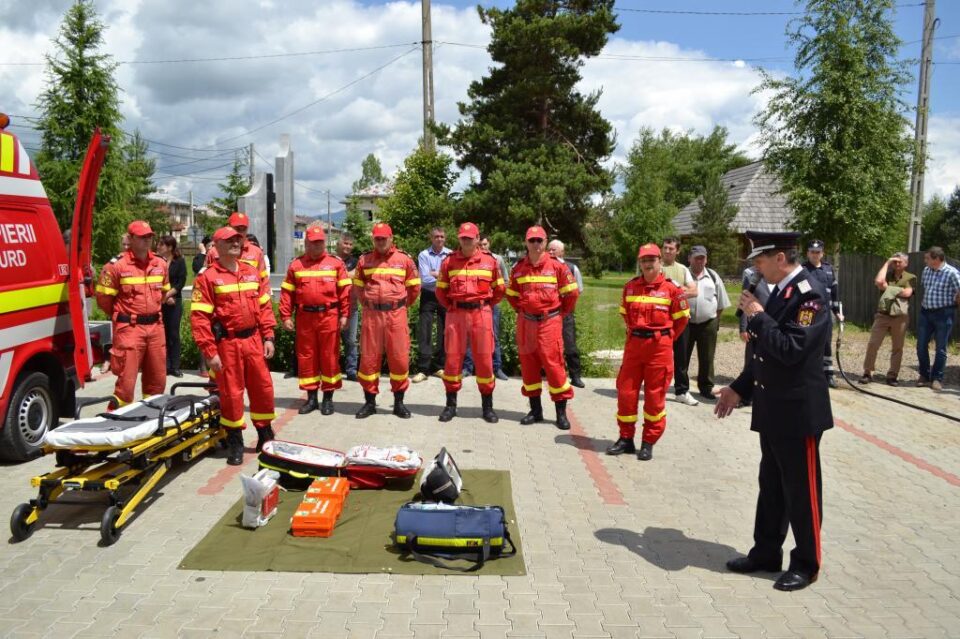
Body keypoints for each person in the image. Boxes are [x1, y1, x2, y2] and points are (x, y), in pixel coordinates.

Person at [714, 231, 833, 592]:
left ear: (780, 259)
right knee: (772, 487)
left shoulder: (810, 297)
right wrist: (739, 388)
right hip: (773, 409)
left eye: (760, 261)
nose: (755, 268)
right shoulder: (781, 292)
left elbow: (790, 349)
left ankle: (807, 564)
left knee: (802, 492)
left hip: (798, 413)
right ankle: (766, 552)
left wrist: (759, 316)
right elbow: (764, 356)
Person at [191, 226, 277, 465]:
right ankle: (235, 442)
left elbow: (264, 308)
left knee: (263, 388)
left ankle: (265, 434)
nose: (235, 243)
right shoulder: (207, 277)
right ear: (216, 246)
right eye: (229, 241)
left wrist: (268, 336)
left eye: (238, 240)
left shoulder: (251, 272)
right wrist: (209, 352)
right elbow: (199, 319)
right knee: (231, 394)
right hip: (226, 344)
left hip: (253, 340)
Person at [606, 243, 690, 461]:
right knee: (626, 393)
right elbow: (625, 314)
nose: (648, 263)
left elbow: (681, 321)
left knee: (654, 398)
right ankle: (625, 439)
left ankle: (648, 442)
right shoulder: (631, 287)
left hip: (658, 348)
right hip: (634, 346)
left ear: (660, 261)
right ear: (639, 262)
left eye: (652, 259)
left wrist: (665, 338)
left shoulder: (673, 289)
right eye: (644, 259)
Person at [505, 226, 580, 430]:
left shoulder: (557, 267)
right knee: (529, 367)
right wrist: (522, 310)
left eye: (539, 240)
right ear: (526, 242)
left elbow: (572, 294)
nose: (536, 244)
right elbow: (511, 295)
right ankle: (535, 411)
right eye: (532, 240)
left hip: (550, 323)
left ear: (546, 242)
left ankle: (561, 414)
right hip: (526, 323)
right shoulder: (518, 268)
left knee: (554, 367)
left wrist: (560, 313)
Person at [434, 222, 506, 423]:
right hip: (456, 314)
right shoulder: (448, 262)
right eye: (462, 237)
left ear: (477, 239)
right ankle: (450, 406)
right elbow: (440, 291)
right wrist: (452, 305)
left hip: (481, 313)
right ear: (459, 239)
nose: (466, 241)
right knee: (452, 360)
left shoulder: (490, 262)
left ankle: (487, 407)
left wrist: (485, 305)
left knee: (484, 360)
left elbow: (499, 290)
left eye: (470, 237)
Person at [95, 221, 171, 410]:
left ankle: (150, 420)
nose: (147, 240)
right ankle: (116, 424)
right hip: (129, 328)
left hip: (155, 328)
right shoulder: (116, 266)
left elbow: (162, 295)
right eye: (142, 237)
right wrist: (124, 316)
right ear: (130, 239)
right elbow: (104, 299)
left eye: (150, 236)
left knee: (157, 380)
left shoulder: (160, 264)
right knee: (126, 383)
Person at [280, 225, 352, 415]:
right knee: (307, 358)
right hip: (305, 318)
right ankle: (311, 399)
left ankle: (328, 399)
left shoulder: (336, 264)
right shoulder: (296, 265)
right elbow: (287, 293)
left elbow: (345, 293)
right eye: (314, 243)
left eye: (320, 242)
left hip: (329, 317)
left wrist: (345, 315)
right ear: (306, 244)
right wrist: (286, 315)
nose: (318, 246)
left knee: (329, 357)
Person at [353, 223, 421, 418]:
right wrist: (366, 302)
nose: (380, 241)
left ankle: (399, 403)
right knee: (368, 359)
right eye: (377, 238)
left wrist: (400, 305)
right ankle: (369, 403)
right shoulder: (364, 260)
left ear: (391, 238)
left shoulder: (404, 260)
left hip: (396, 315)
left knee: (399, 358)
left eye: (384, 238)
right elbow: (358, 285)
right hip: (372, 316)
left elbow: (414, 288)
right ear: (373, 239)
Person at [860, 253, 915, 386]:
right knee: (873, 344)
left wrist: (887, 288)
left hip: (900, 317)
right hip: (883, 315)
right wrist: (887, 262)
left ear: (906, 263)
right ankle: (867, 372)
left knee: (897, 347)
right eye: (894, 262)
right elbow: (879, 282)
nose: (897, 264)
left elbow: (908, 293)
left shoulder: (910, 277)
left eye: (899, 262)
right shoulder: (887, 274)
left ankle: (892, 376)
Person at [684, 245, 731, 399]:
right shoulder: (683, 275)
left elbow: (721, 302)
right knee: (682, 356)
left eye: (702, 258)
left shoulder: (713, 276)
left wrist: (715, 320)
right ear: (689, 258)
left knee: (707, 357)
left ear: (706, 259)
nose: (699, 260)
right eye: (696, 257)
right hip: (686, 323)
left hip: (708, 322)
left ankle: (706, 387)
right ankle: (682, 387)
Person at [660, 236, 699, 406]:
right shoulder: (655, 265)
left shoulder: (682, 269)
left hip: (681, 319)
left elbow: (694, 291)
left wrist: (674, 289)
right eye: (665, 247)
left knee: (681, 357)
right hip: (659, 320)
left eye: (671, 248)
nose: (667, 251)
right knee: (659, 356)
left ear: (677, 251)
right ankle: (657, 389)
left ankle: (682, 391)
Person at [916, 246, 960, 391]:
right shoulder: (926, 271)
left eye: (927, 258)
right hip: (925, 312)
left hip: (944, 314)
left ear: (936, 259)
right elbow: (926, 289)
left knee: (940, 348)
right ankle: (924, 374)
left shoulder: (952, 273)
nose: (925, 261)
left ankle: (937, 378)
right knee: (921, 345)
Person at [412, 227, 452, 382]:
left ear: (445, 238)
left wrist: (435, 273)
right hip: (428, 295)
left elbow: (452, 278)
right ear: (431, 238)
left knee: (444, 331)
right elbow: (424, 279)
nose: (439, 239)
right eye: (436, 236)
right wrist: (442, 276)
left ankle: (439, 366)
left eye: (442, 236)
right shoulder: (424, 254)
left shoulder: (450, 254)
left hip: (445, 295)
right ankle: (423, 369)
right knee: (425, 331)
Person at [802, 240, 843, 388]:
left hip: (826, 314)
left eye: (818, 252)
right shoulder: (802, 270)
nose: (815, 255)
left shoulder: (828, 269)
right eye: (812, 252)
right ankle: (807, 374)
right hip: (808, 313)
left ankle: (828, 375)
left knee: (826, 343)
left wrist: (837, 312)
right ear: (807, 253)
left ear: (822, 253)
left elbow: (834, 292)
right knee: (807, 342)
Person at [548, 240, 585, 388]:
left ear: (562, 252)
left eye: (554, 250)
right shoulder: (543, 267)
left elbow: (578, 289)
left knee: (570, 345)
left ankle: (575, 377)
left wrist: (566, 307)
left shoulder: (571, 268)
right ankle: (550, 376)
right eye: (549, 249)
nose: (551, 252)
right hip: (548, 314)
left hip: (566, 313)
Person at [739, 264, 774, 406]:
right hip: (755, 327)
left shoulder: (781, 281)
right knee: (751, 361)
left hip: (773, 328)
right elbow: (744, 304)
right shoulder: (753, 278)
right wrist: (743, 328)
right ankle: (746, 395)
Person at [205, 212, 269, 286]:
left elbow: (263, 281)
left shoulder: (256, 252)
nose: (240, 233)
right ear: (228, 227)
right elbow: (206, 279)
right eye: (237, 229)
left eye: (243, 229)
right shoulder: (214, 251)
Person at [481, 235, 510, 380]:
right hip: (477, 306)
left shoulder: (497, 259)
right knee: (471, 337)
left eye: (485, 244)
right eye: (480, 244)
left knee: (495, 335)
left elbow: (505, 280)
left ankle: (497, 368)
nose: (483, 247)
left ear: (489, 244)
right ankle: (468, 368)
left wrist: (495, 298)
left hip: (493, 304)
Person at [157, 236, 186, 378]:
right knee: (162, 334)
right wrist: (163, 297)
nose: (158, 247)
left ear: (170, 247)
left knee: (173, 334)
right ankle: (165, 365)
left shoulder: (179, 262)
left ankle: (175, 366)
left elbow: (181, 282)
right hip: (160, 301)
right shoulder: (156, 262)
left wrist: (168, 295)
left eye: (161, 245)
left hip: (174, 301)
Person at [337, 233, 360, 381]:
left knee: (351, 341)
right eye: (345, 243)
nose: (348, 247)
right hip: (333, 308)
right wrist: (348, 274)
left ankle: (351, 371)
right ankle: (331, 369)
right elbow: (348, 276)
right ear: (339, 244)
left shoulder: (356, 261)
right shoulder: (330, 260)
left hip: (351, 307)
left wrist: (339, 274)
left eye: (350, 244)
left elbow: (356, 275)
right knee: (331, 342)